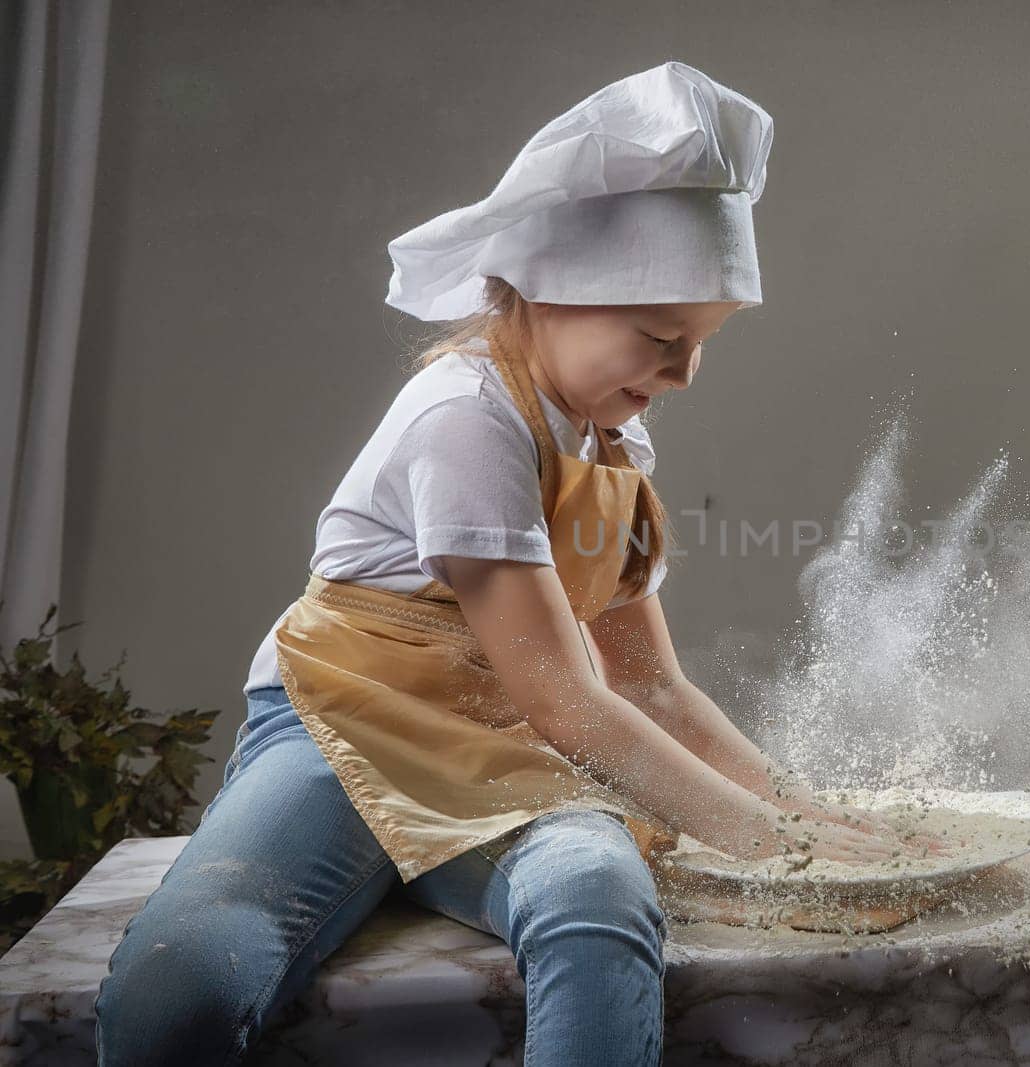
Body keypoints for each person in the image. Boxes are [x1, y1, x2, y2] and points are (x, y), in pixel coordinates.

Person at [93, 61, 942, 1067]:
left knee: (594, 897)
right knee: (184, 972)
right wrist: (761, 842)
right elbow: (565, 696)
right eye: (660, 336)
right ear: (549, 292)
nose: (679, 374)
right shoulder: (466, 417)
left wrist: (797, 811)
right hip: (341, 730)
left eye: (702, 343)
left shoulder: (614, 444)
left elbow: (650, 684)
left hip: (512, 749)